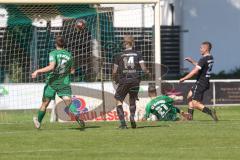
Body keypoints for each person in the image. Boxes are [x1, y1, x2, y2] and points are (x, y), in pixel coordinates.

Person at [32, 36, 85, 129]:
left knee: (45, 103)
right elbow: (72, 71)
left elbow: (51, 67)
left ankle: (38, 122)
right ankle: (76, 114)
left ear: (55, 44)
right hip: (64, 82)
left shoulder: (53, 53)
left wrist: (38, 71)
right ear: (64, 44)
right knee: (68, 101)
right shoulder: (69, 55)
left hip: (52, 82)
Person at [112, 35, 150, 129]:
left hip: (124, 80)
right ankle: (132, 117)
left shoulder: (119, 55)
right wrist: (147, 72)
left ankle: (123, 124)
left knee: (118, 100)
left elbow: (114, 71)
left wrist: (114, 78)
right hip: (135, 80)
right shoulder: (138, 54)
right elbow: (144, 68)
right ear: (133, 43)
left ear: (125, 43)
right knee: (132, 100)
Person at [179, 41, 218, 121]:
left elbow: (194, 71)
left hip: (201, 82)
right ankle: (190, 117)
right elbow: (201, 66)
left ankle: (210, 112)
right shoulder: (210, 57)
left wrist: (184, 78)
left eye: (201, 48)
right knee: (189, 96)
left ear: (206, 49)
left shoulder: (203, 59)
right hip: (205, 82)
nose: (200, 49)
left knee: (195, 104)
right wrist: (192, 61)